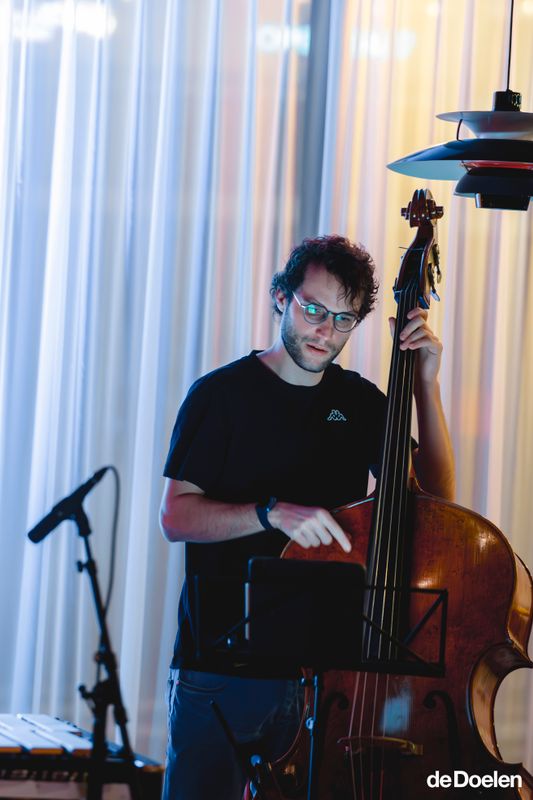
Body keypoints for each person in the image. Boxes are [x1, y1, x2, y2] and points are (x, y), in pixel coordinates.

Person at [159, 235, 455, 800]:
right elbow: (176, 517)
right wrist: (270, 513)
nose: (324, 331)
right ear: (281, 297)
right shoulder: (220, 396)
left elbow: (437, 503)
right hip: (221, 672)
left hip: (328, 677)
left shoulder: (362, 403)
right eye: (313, 309)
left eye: (343, 320)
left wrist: (425, 386)